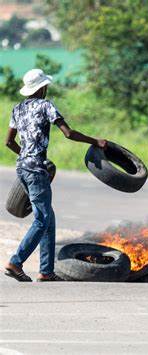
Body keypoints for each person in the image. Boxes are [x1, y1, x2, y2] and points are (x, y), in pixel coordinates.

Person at [4, 68, 107, 282]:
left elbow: (8, 142)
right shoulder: (46, 105)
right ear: (43, 87)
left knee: (48, 219)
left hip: (22, 168)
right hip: (36, 170)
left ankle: (46, 271)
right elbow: (68, 133)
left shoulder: (17, 109)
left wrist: (25, 154)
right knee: (41, 220)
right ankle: (16, 261)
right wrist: (95, 142)